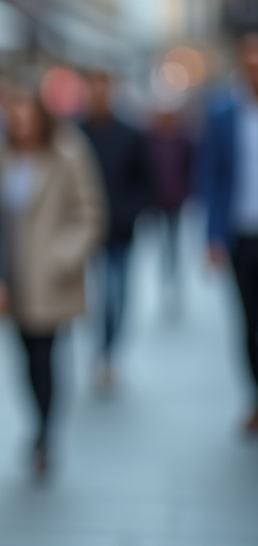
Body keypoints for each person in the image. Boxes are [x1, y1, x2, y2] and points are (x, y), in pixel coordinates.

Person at [0, 82, 105, 478]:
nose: (20, 120)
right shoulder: (0, 156)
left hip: (51, 278)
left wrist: (63, 256)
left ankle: (44, 434)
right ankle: (38, 426)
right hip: (12, 278)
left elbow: (90, 212)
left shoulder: (68, 152)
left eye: (28, 112)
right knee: (24, 358)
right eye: (14, 112)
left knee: (45, 355)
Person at [79, 70, 154, 389]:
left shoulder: (130, 133)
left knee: (117, 294)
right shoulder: (76, 132)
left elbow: (146, 181)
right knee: (97, 297)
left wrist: (127, 213)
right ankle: (101, 347)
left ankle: (109, 351)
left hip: (120, 232)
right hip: (86, 233)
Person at [199, 31, 258, 435]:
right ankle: (256, 397)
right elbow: (212, 175)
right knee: (250, 323)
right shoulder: (223, 112)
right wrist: (212, 236)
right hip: (242, 233)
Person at [146, 107, 195, 312]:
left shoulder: (183, 140)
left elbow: (190, 168)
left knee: (174, 244)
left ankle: (175, 286)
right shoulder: (151, 140)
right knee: (163, 246)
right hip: (158, 201)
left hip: (176, 200)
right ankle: (165, 285)